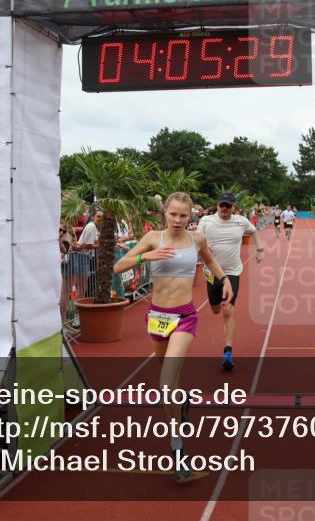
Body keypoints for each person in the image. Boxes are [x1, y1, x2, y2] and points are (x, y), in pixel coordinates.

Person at [112, 192, 231, 482]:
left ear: (191, 216)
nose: (178, 220)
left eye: (183, 215)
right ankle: (182, 402)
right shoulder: (153, 238)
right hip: (156, 318)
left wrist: (225, 280)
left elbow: (211, 263)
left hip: (184, 317)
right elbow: (118, 266)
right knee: (172, 383)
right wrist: (145, 256)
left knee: (165, 384)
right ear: (164, 213)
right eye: (173, 214)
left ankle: (177, 448)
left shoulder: (197, 239)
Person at [196, 192, 263, 371]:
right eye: (222, 205)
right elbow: (196, 240)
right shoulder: (206, 221)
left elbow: (254, 231)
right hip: (212, 273)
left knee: (228, 311)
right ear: (217, 205)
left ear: (233, 207)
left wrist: (260, 249)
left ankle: (228, 351)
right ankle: (217, 305)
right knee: (216, 309)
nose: (224, 209)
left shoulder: (241, 221)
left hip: (232, 272)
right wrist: (202, 246)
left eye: (228, 206)